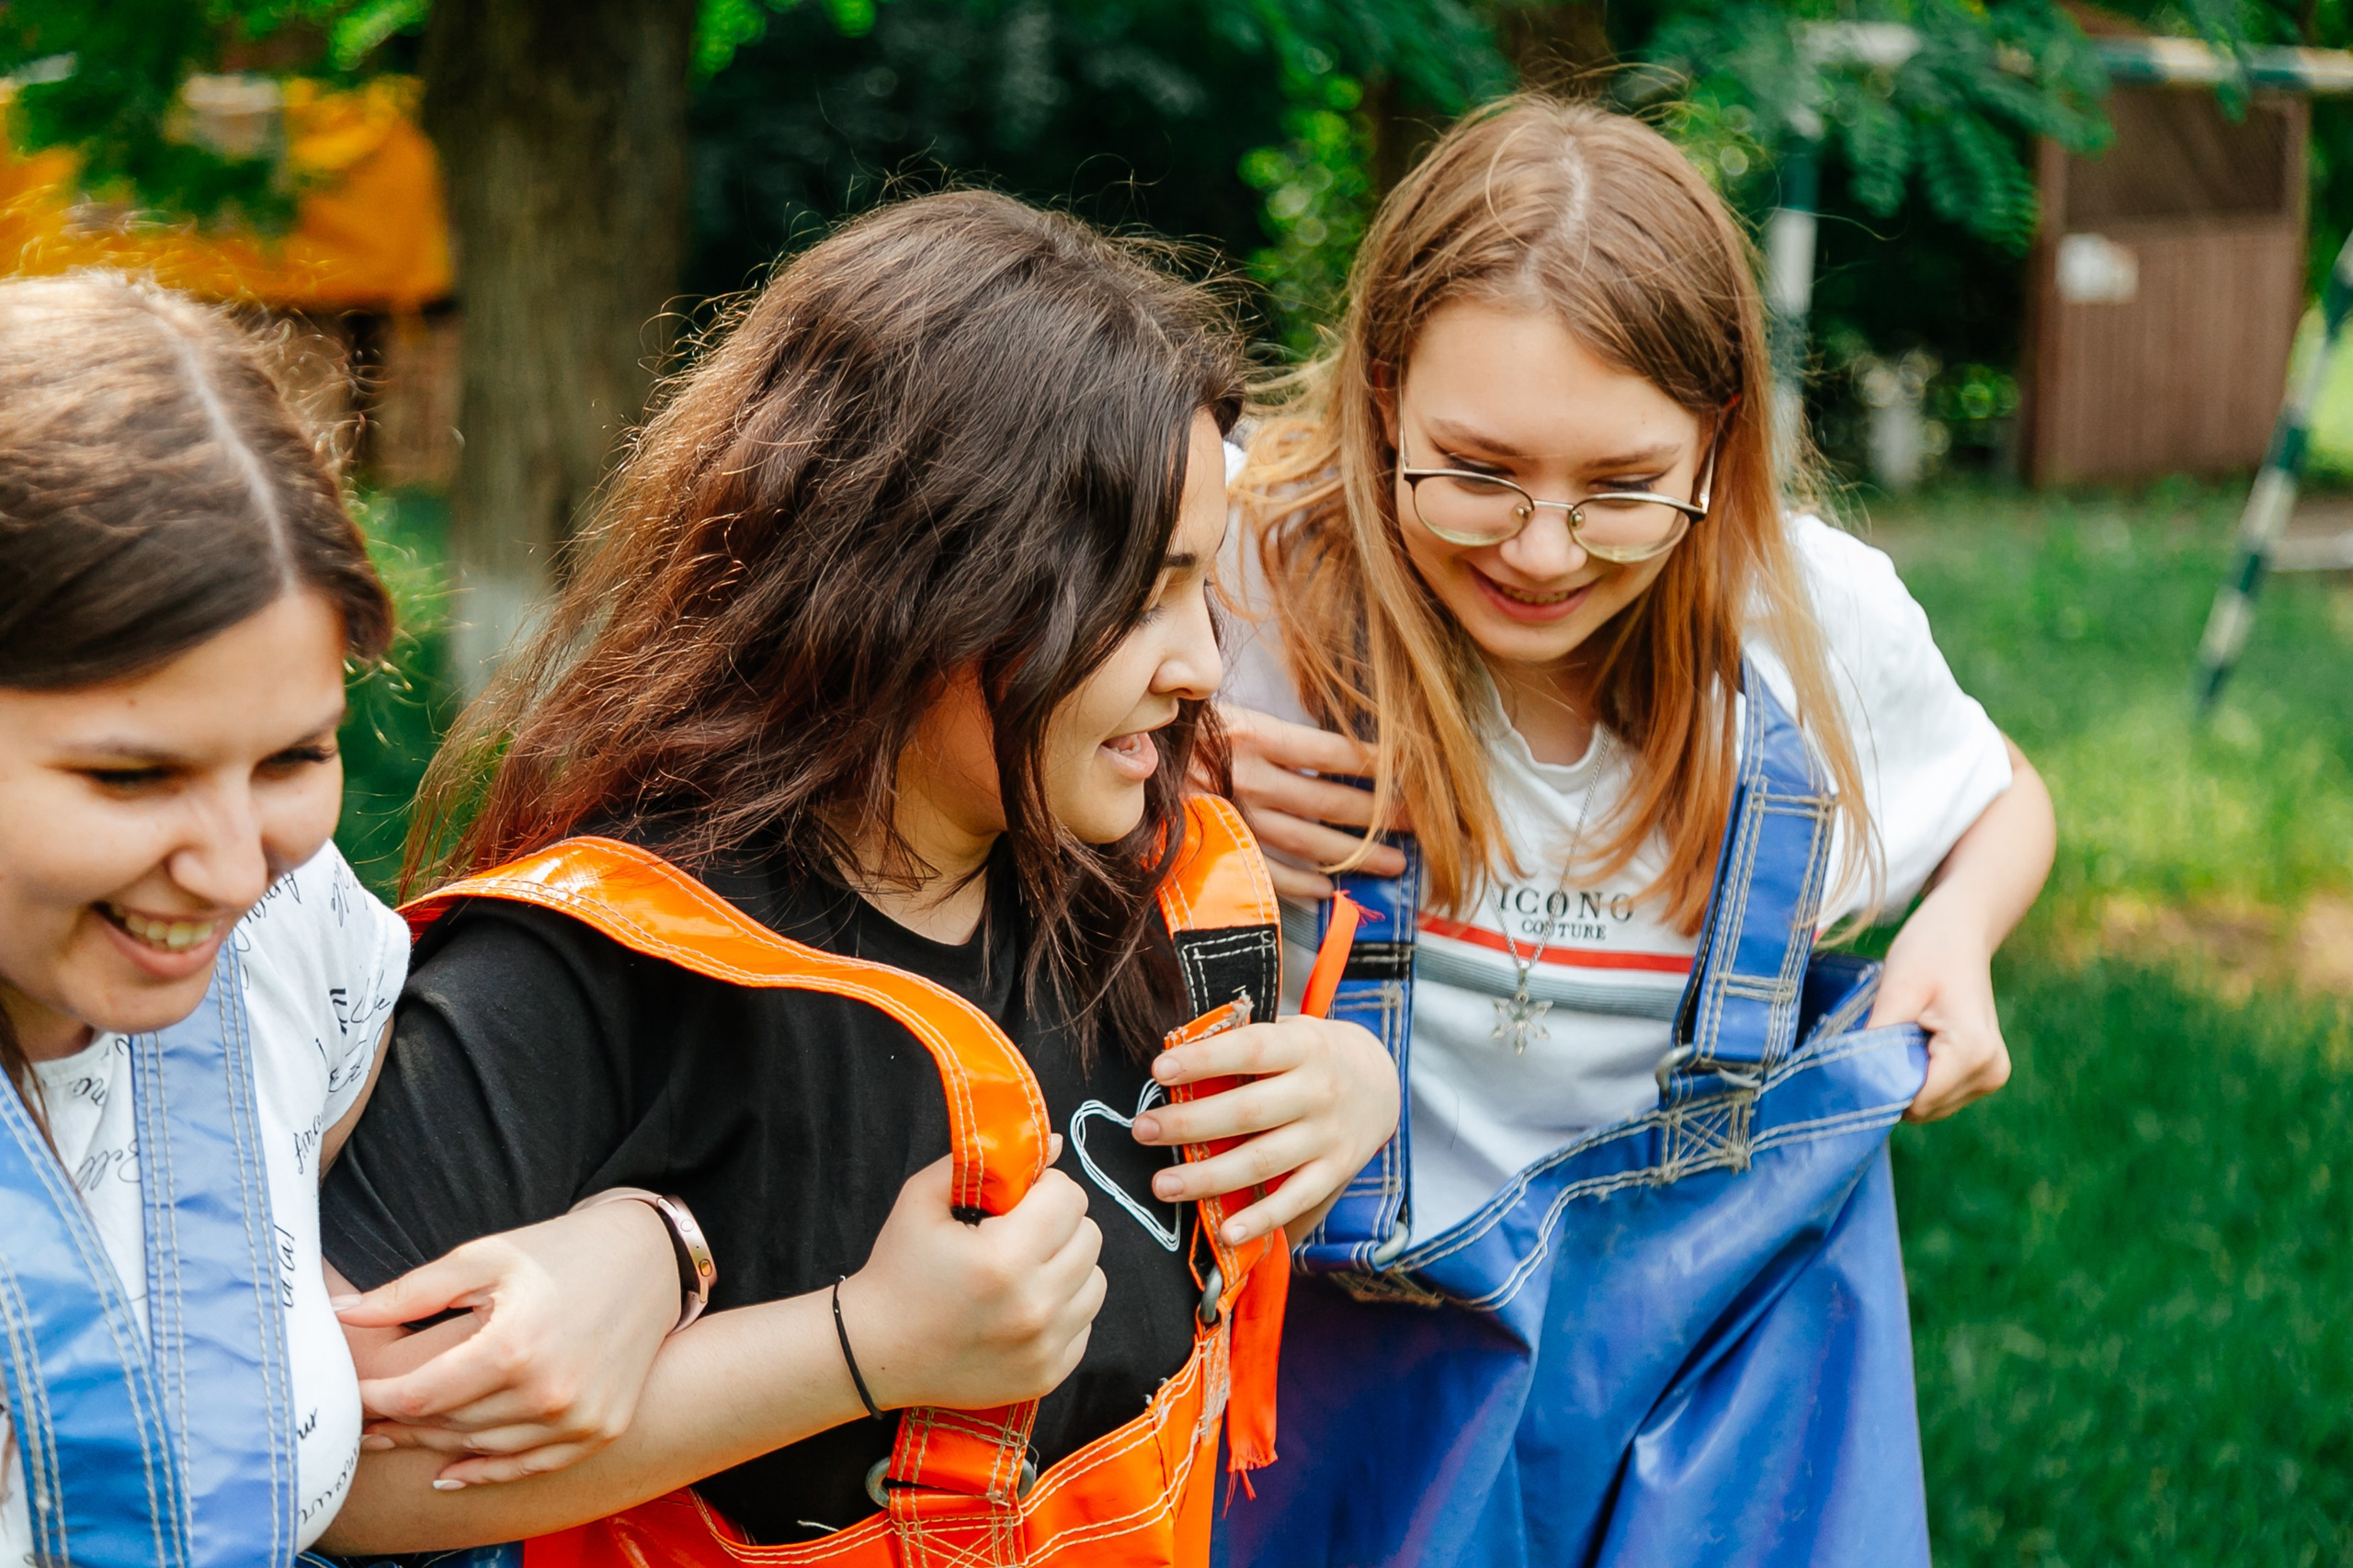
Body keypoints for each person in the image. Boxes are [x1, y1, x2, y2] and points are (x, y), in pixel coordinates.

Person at [314, 189, 1399, 1564]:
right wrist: (854, 1346)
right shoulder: (587, 970)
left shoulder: (1160, 892)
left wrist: (1353, 1089)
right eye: (1140, 594)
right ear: (922, 576)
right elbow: (342, 1478)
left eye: (1202, 584)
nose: (1196, 663)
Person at [1211, 97, 2058, 1566]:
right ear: (1384, 394)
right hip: (1328, 1370)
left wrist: (1959, 931)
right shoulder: (1235, 577)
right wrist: (1172, 767)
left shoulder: (1812, 631)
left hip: (1691, 1375)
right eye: (1474, 471)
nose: (1541, 552)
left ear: (1719, 446)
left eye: (1618, 489)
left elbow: (2002, 794)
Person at [0, 273, 726, 1567]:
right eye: (130, 775)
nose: (229, 864)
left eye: (292, 758)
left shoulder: (288, 939)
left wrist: (646, 1243)